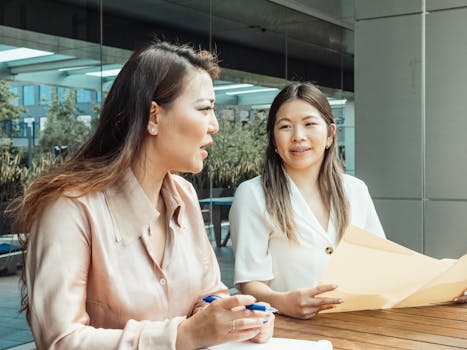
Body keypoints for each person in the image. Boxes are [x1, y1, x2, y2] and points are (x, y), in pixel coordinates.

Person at [14, 41, 273, 350]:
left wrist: (235, 317)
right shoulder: (69, 209)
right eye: (205, 109)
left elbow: (209, 292)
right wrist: (182, 336)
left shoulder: (185, 196)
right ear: (153, 116)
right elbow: (61, 340)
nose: (214, 126)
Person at [230, 82, 467, 320]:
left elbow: (382, 265)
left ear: (330, 134)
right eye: (285, 127)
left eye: (309, 124)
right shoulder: (252, 194)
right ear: (273, 139)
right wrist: (282, 302)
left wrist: (450, 286)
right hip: (288, 330)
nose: (298, 137)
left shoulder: (355, 190)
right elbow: (250, 283)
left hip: (359, 324)